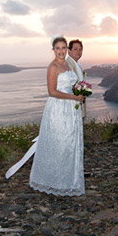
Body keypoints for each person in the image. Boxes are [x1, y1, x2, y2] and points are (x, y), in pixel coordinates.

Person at [29, 35, 86, 196]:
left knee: (69, 144)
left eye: (63, 48)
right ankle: (52, 180)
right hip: (58, 109)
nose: (61, 51)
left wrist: (79, 93)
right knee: (58, 142)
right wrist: (74, 97)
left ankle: (68, 180)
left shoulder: (68, 65)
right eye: (57, 48)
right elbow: (52, 92)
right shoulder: (53, 66)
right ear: (53, 50)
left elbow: (72, 84)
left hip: (71, 110)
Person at [66, 39, 86, 118]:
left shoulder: (77, 65)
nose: (78, 51)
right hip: (70, 107)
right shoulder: (67, 65)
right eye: (75, 49)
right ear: (69, 51)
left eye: (80, 49)